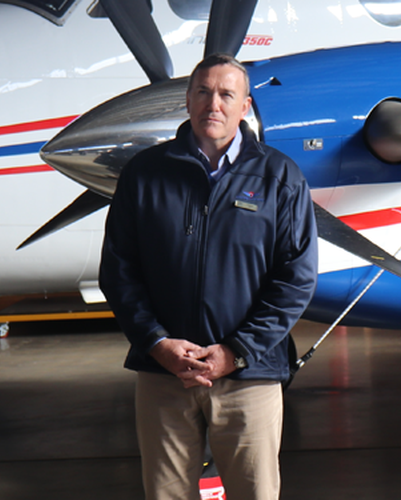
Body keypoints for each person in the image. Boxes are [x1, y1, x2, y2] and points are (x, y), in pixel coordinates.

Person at [99, 54, 317, 500]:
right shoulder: (145, 174)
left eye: (226, 95)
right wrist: (157, 342)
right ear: (187, 100)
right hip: (164, 375)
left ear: (245, 106)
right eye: (203, 92)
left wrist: (237, 352)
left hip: (249, 376)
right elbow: (119, 270)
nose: (212, 104)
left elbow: (296, 279)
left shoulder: (280, 178)